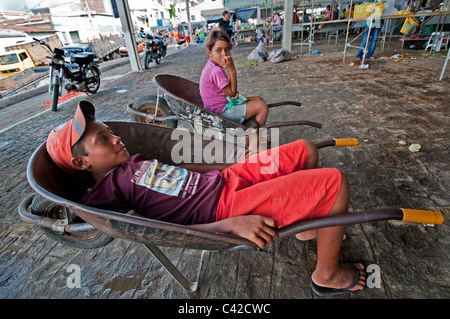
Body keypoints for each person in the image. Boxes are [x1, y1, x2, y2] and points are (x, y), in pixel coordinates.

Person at [45, 100, 367, 296]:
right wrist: (229, 225)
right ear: (81, 163)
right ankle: (326, 275)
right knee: (334, 183)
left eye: (110, 132)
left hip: (225, 180)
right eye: (104, 138)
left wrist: (238, 158)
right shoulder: (104, 196)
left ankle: (307, 225)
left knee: (304, 149)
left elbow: (183, 169)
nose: (116, 138)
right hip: (223, 208)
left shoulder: (131, 161)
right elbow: (155, 229)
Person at [199, 29, 268, 127]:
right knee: (262, 107)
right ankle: (251, 138)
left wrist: (232, 95)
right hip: (221, 113)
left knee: (258, 99)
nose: (224, 54)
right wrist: (232, 70)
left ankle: (249, 130)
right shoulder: (216, 71)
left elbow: (229, 93)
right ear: (209, 52)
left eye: (226, 49)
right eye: (218, 50)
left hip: (219, 107)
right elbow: (232, 93)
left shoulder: (211, 66)